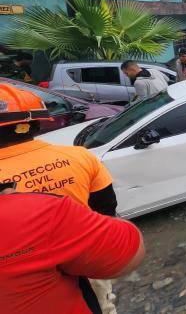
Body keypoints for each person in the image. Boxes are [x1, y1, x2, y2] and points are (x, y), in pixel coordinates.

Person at [0, 83, 120, 312]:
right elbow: (106, 209)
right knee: (103, 305)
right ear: (36, 123)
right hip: (86, 256)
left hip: (25, 279)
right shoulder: (79, 156)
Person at [0, 183, 145, 314]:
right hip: (89, 249)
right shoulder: (39, 211)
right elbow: (131, 251)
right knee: (104, 302)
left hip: (84, 249)